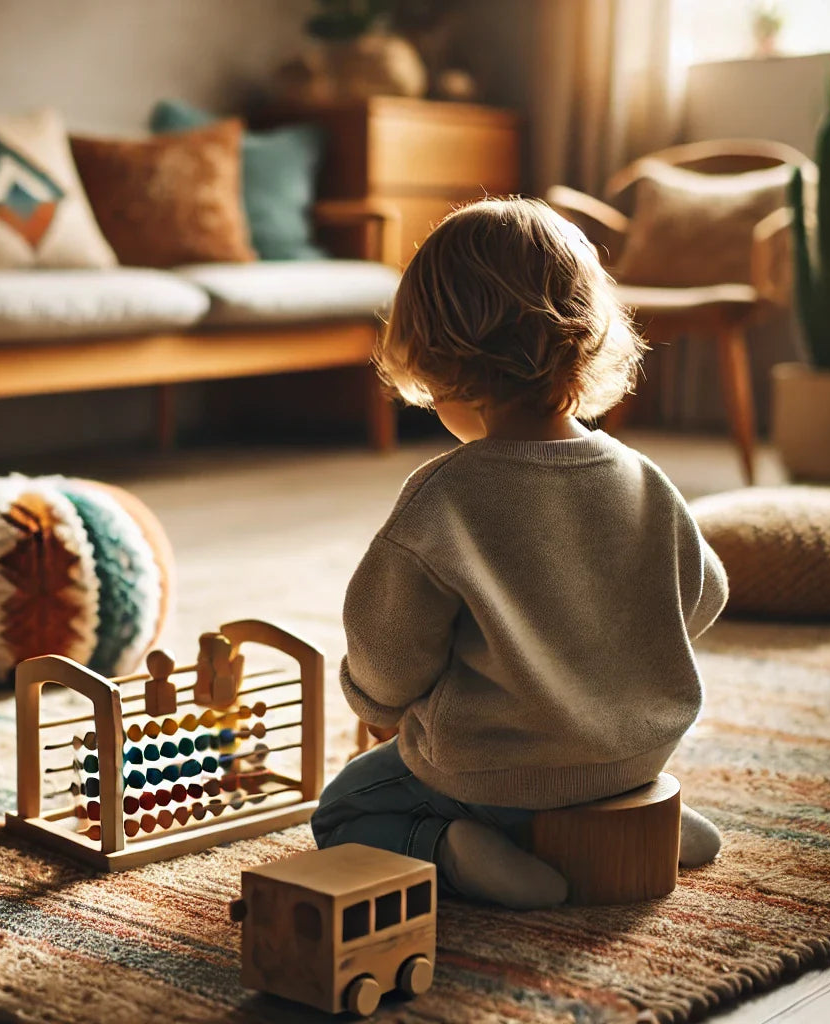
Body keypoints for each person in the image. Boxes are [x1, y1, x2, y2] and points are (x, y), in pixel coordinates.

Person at [310, 197, 728, 910]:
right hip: (636, 754)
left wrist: (374, 700)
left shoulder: (444, 498)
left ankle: (456, 852)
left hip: (491, 780)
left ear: (441, 362)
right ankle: (636, 821)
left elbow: (387, 659)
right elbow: (707, 592)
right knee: (601, 774)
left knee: (345, 807)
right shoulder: (641, 477)